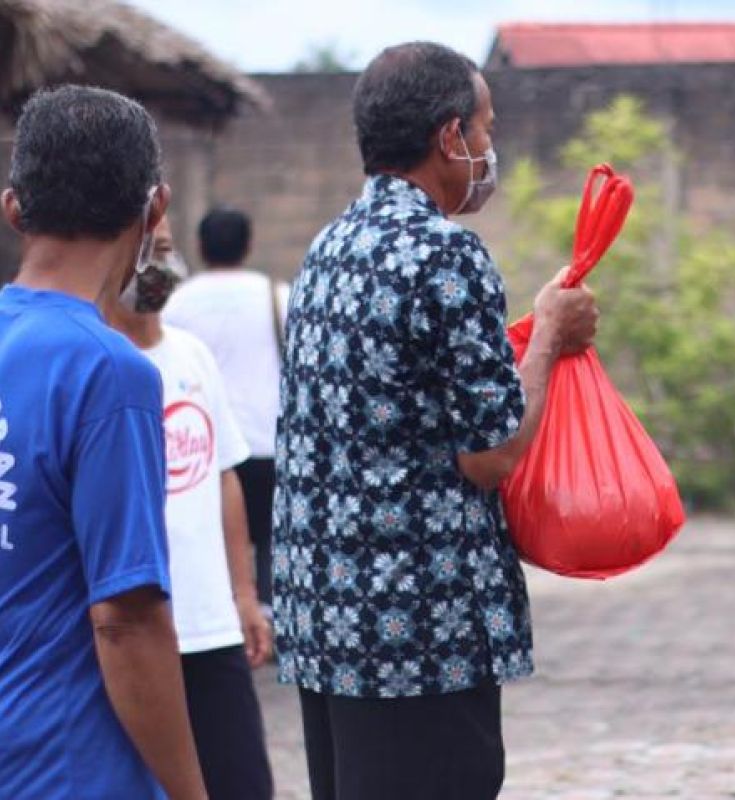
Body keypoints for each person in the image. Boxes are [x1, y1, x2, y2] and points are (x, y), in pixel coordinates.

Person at [273, 41, 598, 800]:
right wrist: (549, 335)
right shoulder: (443, 252)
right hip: (420, 630)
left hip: (331, 622)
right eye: (485, 130)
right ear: (450, 137)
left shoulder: (329, 247)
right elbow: (489, 454)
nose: (490, 150)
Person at [0, 85, 207, 799]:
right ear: (155, 208)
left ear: (13, 207)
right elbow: (126, 620)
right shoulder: (109, 373)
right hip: (66, 769)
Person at [105, 213, 275, 800]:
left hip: (212, 630)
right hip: (140, 630)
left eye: (167, 249)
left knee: (244, 782)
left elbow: (223, 477)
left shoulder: (193, 355)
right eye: (145, 249)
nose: (157, 263)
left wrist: (244, 595)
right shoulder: (101, 364)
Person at [164, 207, 285, 608]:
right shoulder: (277, 295)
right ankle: (269, 614)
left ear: (199, 246)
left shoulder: (177, 303)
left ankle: (226, 609)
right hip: (268, 438)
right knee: (271, 535)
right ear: (249, 245)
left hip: (207, 444)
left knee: (215, 534)